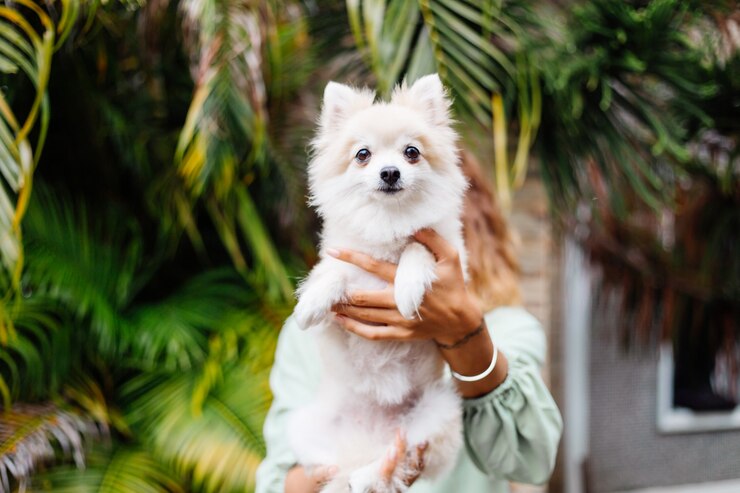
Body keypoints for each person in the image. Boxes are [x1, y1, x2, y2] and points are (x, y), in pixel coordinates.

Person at [256, 153, 562, 492]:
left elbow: (529, 459)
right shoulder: (310, 331)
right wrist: (348, 474)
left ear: (469, 220)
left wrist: (462, 333)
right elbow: (278, 483)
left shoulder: (506, 328)